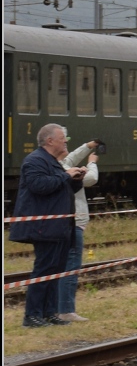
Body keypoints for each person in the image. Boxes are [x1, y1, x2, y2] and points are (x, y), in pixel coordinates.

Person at [11, 123, 86, 327]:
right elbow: (40, 186)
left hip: (60, 226)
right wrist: (66, 175)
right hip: (44, 226)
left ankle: (50, 312)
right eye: (63, 138)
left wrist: (77, 179)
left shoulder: (52, 162)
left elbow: (61, 187)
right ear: (50, 140)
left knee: (56, 271)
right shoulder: (34, 161)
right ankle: (32, 315)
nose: (65, 141)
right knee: (43, 270)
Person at [58, 138, 102, 322]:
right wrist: (91, 164)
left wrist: (87, 146)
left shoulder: (57, 163)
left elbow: (71, 159)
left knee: (61, 266)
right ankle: (66, 310)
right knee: (71, 266)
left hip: (66, 221)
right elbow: (91, 179)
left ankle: (58, 309)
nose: (66, 145)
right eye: (63, 142)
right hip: (74, 221)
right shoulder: (61, 167)